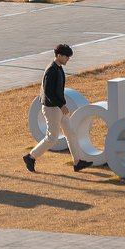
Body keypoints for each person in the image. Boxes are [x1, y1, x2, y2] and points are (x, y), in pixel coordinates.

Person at [23, 43, 92, 174]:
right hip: (52, 109)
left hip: (58, 108)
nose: (68, 59)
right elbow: (48, 93)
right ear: (59, 55)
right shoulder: (52, 70)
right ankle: (30, 157)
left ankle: (78, 162)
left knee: (70, 133)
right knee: (52, 137)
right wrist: (61, 105)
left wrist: (61, 106)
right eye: (66, 57)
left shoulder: (58, 68)